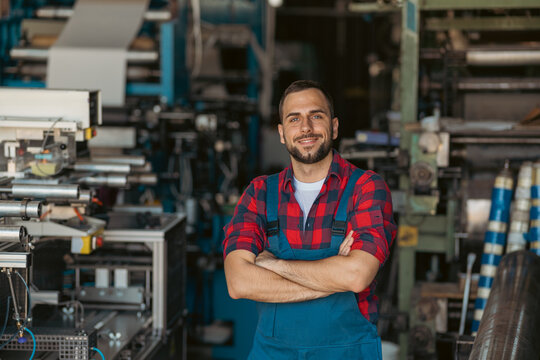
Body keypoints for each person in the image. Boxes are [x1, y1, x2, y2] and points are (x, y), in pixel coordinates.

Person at [223, 80, 396, 359]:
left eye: (316, 116)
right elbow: (239, 283)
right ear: (281, 133)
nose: (306, 128)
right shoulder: (259, 192)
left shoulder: (366, 188)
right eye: (294, 119)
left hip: (347, 353)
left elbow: (356, 276)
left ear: (335, 127)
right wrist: (332, 278)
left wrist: (273, 264)